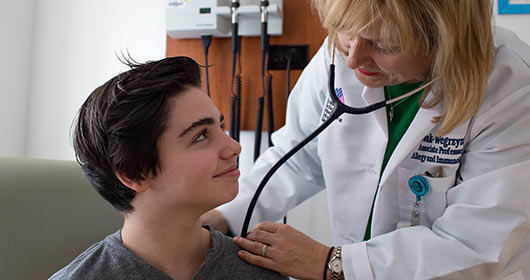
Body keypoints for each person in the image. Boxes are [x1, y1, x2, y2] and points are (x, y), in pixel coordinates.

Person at [202, 0, 530, 279]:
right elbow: (299, 156)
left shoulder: (510, 86)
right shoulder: (339, 57)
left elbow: (477, 245)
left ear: (444, 38)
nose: (353, 60)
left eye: (385, 46)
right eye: (347, 35)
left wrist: (330, 263)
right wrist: (225, 215)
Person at [50, 56, 287, 280]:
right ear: (136, 174)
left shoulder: (260, 272)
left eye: (220, 127)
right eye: (201, 136)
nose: (234, 147)